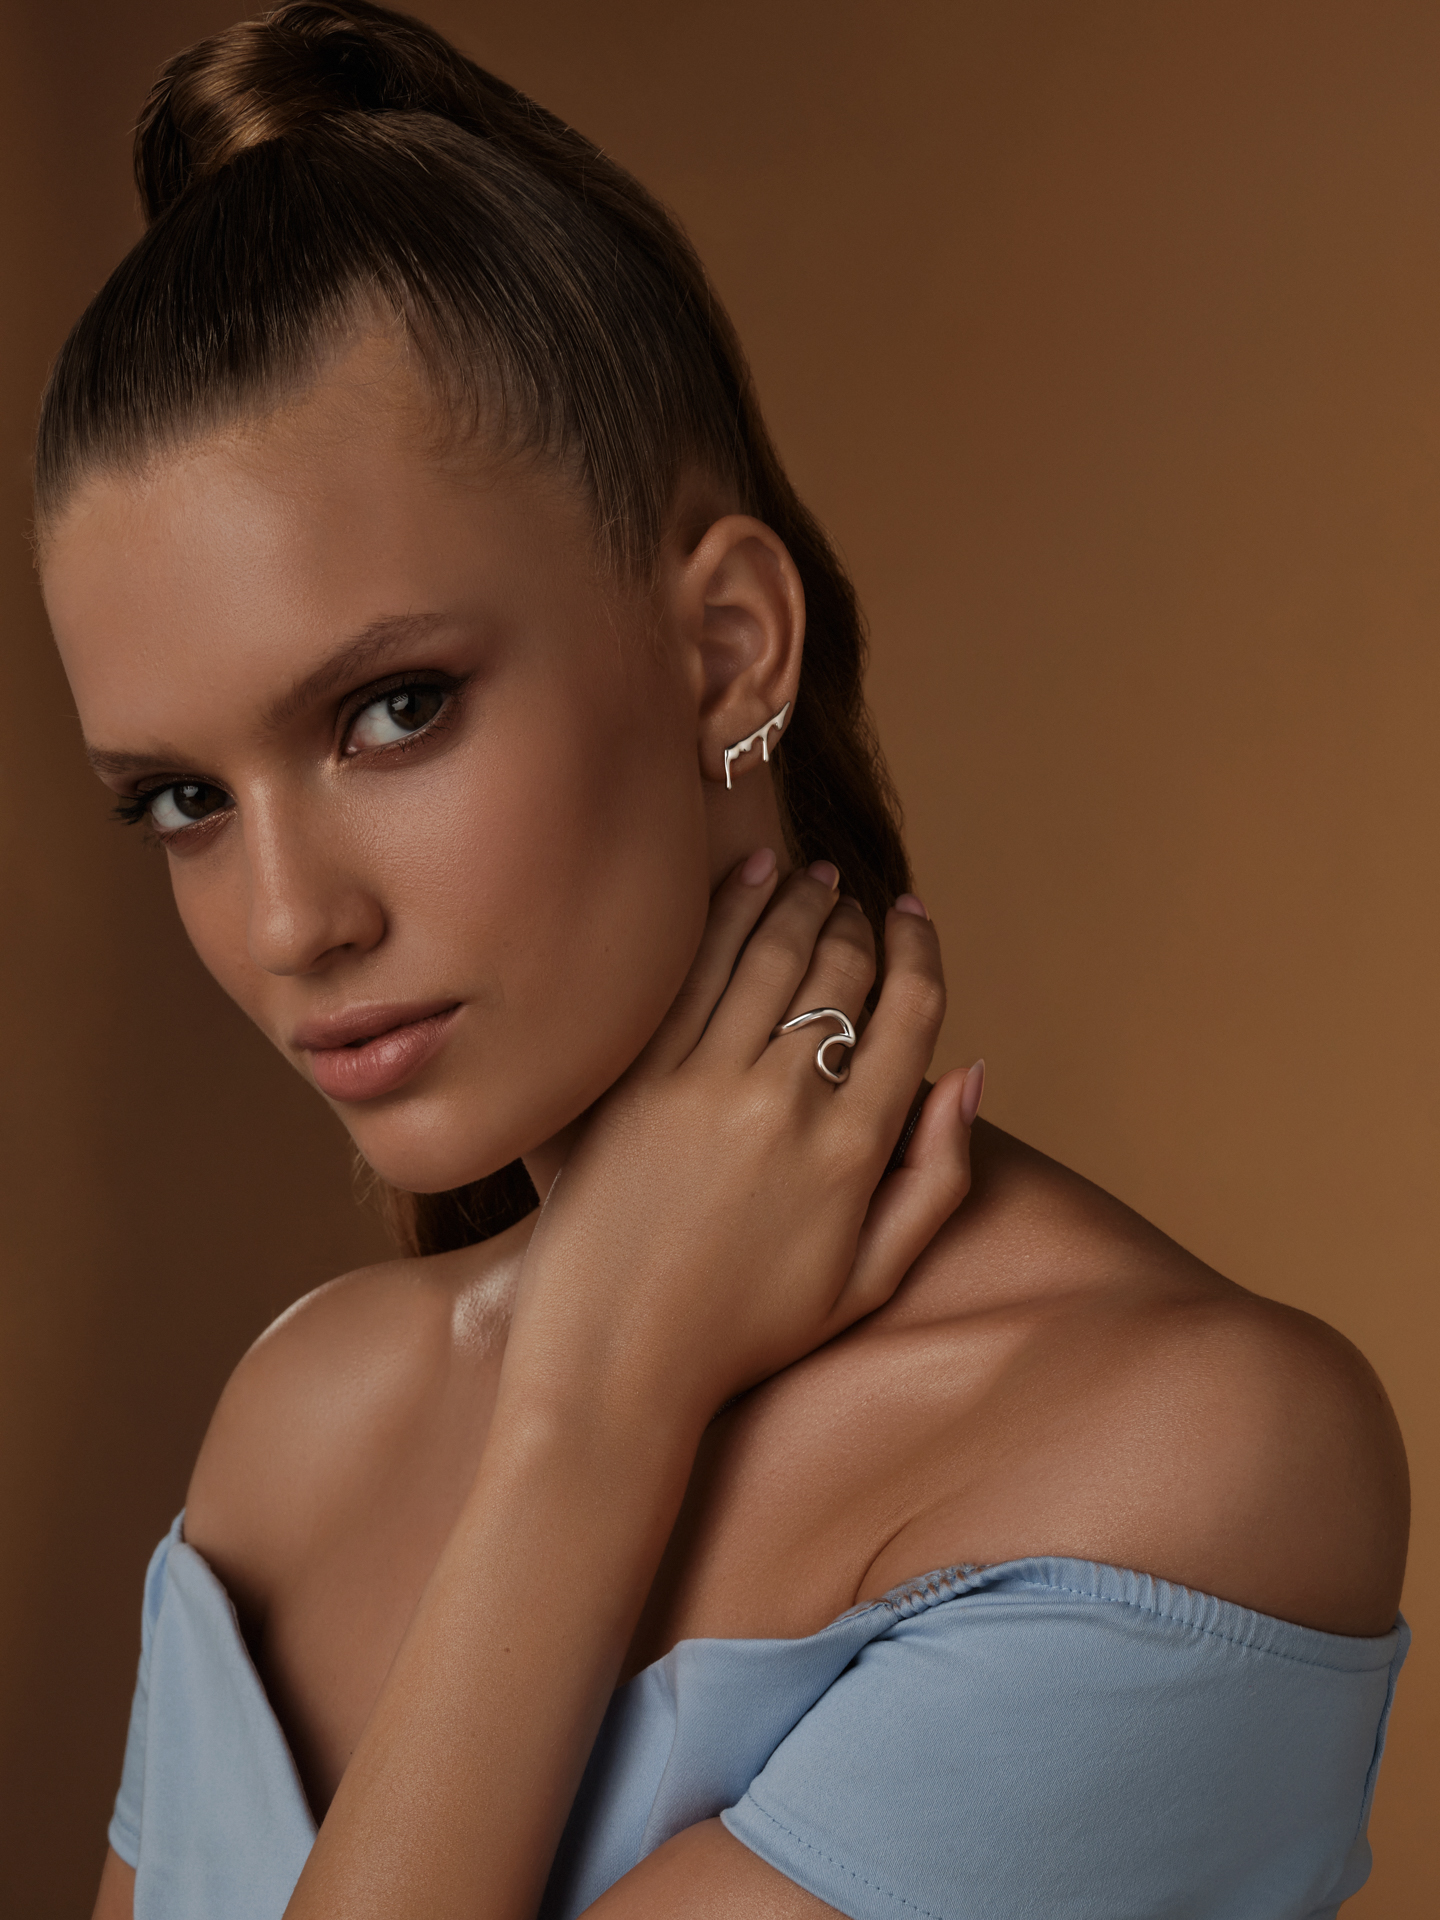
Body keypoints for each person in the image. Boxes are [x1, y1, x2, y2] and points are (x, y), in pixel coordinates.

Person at [36, 5, 1409, 1916]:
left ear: (727, 653)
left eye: (393, 708)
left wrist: (590, 1419)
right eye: (183, 799)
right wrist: (592, 1388)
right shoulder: (299, 1428)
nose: (287, 923)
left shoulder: (1183, 1460)